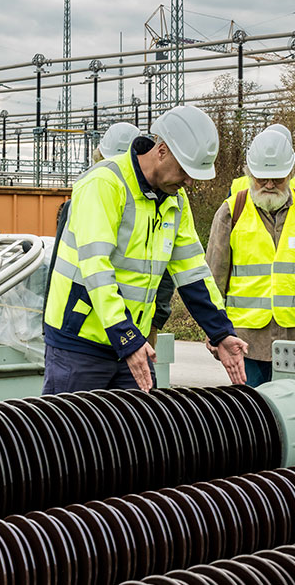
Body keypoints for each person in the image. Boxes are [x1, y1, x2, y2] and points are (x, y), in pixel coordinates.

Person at [43, 105, 249, 393]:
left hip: (132, 342)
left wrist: (220, 331)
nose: (188, 182)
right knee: (70, 434)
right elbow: (96, 268)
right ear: (161, 150)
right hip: (82, 342)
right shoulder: (104, 184)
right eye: (184, 171)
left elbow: (192, 270)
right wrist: (126, 337)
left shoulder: (174, 199)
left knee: (136, 436)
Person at [205, 129, 295, 387]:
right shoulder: (230, 212)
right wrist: (214, 329)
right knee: (252, 412)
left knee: (294, 409)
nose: (268, 185)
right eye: (261, 178)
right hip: (245, 337)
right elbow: (213, 278)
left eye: (277, 179)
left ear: (291, 173)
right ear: (249, 174)